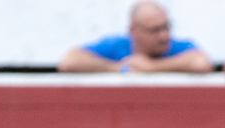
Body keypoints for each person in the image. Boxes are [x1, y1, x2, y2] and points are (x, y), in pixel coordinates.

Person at [58, 1, 212, 75]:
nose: (164, 36)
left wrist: (151, 67)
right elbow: (70, 62)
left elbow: (201, 63)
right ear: (134, 31)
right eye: (155, 30)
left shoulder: (177, 46)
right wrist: (120, 68)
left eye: (166, 27)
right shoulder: (117, 45)